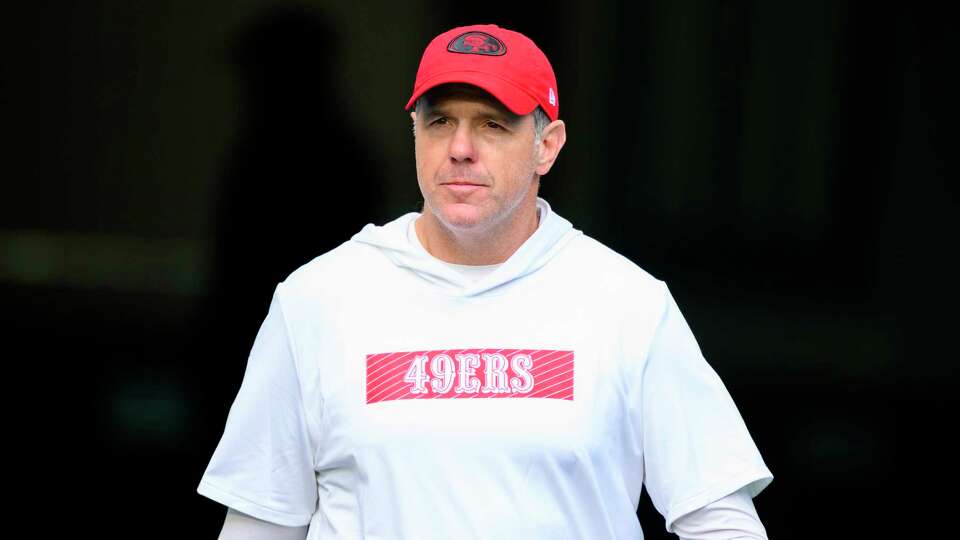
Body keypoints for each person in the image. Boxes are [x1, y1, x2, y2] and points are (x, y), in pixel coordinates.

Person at [198, 23, 773, 540]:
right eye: (440, 120)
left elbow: (719, 520)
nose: (461, 149)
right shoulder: (317, 300)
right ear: (414, 132)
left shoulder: (627, 304)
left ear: (548, 146)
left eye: (493, 124)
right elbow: (261, 522)